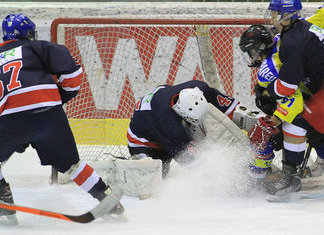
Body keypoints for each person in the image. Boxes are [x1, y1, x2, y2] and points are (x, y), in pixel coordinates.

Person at [0, 14, 123, 225]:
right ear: (29, 33)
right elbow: (73, 74)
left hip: (10, 119)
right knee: (72, 165)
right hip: (48, 113)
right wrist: (59, 97)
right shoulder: (38, 47)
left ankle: (4, 203)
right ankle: (109, 201)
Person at [239, 0, 324, 180]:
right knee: (321, 140)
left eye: (251, 52)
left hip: (323, 97)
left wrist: (274, 119)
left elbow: (291, 98)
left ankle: (289, 174)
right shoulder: (299, 27)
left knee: (304, 132)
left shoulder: (270, 66)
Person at [127, 80, 239, 177]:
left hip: (159, 115)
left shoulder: (200, 89)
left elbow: (232, 109)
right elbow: (192, 163)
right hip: (143, 140)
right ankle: (129, 166)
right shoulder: (171, 126)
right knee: (155, 179)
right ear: (181, 112)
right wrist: (222, 172)